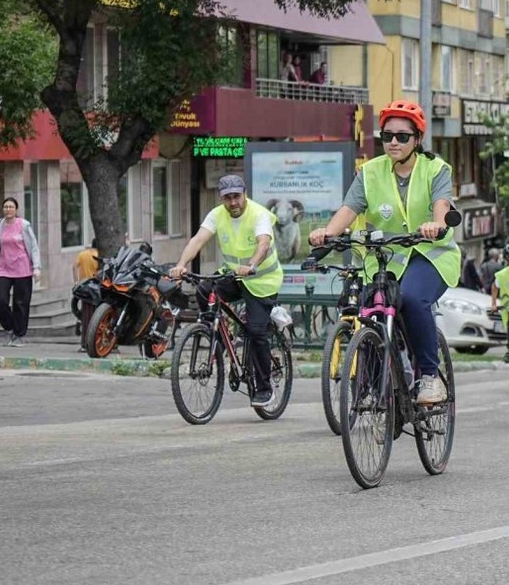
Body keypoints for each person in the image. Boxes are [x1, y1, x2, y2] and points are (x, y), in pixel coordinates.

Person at [310, 99, 459, 405]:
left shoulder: (436, 168)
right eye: (387, 136)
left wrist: (437, 224)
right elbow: (349, 209)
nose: (393, 142)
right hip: (384, 257)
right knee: (369, 310)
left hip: (429, 254)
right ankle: (370, 388)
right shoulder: (370, 172)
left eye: (402, 136)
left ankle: (429, 377)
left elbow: (442, 205)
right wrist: (327, 233)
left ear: (417, 139)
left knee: (414, 299)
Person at [169, 175, 284, 407]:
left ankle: (264, 387)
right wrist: (181, 265)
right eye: (227, 198)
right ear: (221, 198)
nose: (233, 203)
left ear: (245, 194)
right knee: (203, 290)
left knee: (255, 331)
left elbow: (263, 243)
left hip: (262, 281)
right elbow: (198, 240)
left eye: (236, 197)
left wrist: (251, 265)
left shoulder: (258, 214)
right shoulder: (217, 214)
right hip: (234, 276)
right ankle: (218, 337)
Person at [0, 197, 42, 347]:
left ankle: (19, 334)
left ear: (16, 210)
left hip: (23, 269)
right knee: (0, 301)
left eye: (11, 207)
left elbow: (33, 246)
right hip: (4, 269)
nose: (8, 209)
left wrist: (36, 267)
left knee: (21, 304)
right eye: (6, 207)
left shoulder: (23, 225)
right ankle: (10, 328)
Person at [72, 243, 100, 349]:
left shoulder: (82, 254)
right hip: (95, 288)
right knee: (94, 315)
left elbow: (74, 267)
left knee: (85, 312)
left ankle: (81, 323)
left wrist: (76, 282)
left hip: (84, 287)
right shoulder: (98, 255)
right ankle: (91, 341)